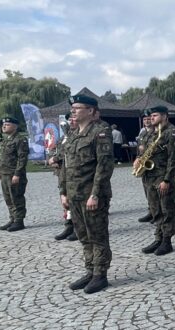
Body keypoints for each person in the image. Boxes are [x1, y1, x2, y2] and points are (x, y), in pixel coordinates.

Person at [60, 95, 115, 294]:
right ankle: (90, 270)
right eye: (72, 108)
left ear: (91, 111)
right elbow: (66, 166)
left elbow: (104, 166)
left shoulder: (100, 133)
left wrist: (96, 194)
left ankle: (100, 275)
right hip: (74, 195)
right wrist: (63, 193)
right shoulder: (74, 134)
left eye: (77, 108)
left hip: (91, 195)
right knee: (83, 235)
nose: (73, 111)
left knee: (97, 235)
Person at [136, 106, 175, 256]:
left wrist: (167, 179)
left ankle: (167, 241)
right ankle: (158, 237)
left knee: (166, 210)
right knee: (155, 210)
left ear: (164, 116)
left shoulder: (171, 132)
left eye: (155, 115)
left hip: (162, 177)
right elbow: (142, 151)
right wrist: (138, 160)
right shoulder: (150, 133)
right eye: (151, 116)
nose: (151, 118)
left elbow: (173, 159)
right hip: (149, 177)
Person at [0, 116, 29, 232]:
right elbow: (2, 157)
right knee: (8, 198)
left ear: (15, 126)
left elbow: (22, 158)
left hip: (14, 174)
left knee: (16, 197)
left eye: (7, 124)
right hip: (5, 173)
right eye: (3, 125)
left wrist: (17, 174)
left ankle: (19, 221)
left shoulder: (20, 140)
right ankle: (12, 219)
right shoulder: (6, 140)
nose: (4, 126)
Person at [48, 114, 78, 240]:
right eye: (69, 119)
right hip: (62, 172)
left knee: (74, 201)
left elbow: (65, 153)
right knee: (65, 201)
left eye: (73, 119)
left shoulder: (78, 136)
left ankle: (78, 228)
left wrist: (55, 158)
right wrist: (51, 159)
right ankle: (68, 226)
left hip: (74, 174)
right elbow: (55, 150)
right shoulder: (63, 138)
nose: (70, 122)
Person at [136, 110, 157, 223]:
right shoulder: (142, 134)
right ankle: (151, 211)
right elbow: (139, 149)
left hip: (154, 166)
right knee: (147, 190)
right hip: (144, 166)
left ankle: (157, 213)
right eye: (144, 119)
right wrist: (137, 159)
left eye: (148, 118)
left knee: (153, 191)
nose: (147, 121)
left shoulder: (156, 133)